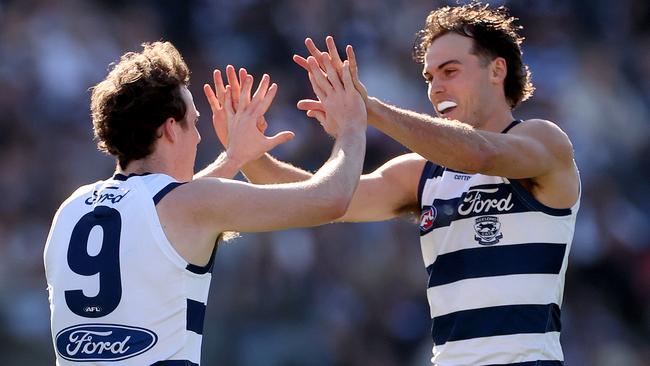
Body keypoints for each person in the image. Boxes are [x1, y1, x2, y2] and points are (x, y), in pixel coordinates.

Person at [208, 3, 580, 365]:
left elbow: (481, 154)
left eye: (450, 71)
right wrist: (250, 156)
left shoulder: (544, 141)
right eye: (430, 78)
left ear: (497, 70)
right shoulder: (422, 172)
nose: (435, 89)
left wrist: (370, 110)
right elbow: (318, 198)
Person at [43, 41, 366, 365]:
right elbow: (331, 199)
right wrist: (352, 125)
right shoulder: (189, 205)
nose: (198, 137)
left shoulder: (71, 208)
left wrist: (234, 158)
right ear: (170, 129)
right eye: (194, 123)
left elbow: (166, 212)